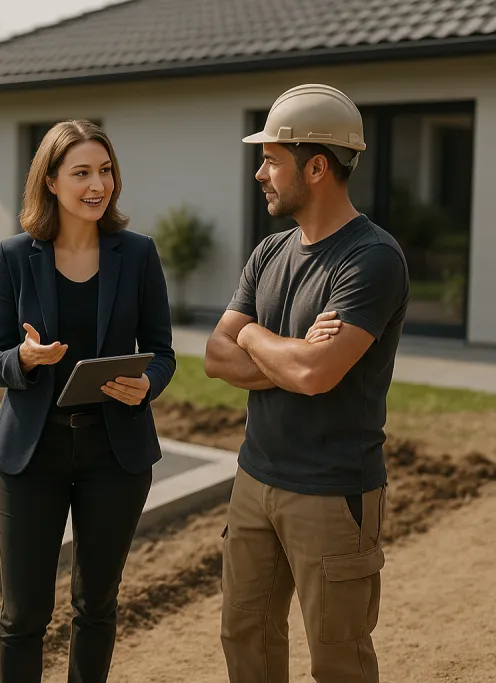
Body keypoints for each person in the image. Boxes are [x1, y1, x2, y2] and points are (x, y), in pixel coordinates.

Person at [205, 83, 410, 683]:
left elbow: (315, 375)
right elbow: (216, 357)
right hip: (255, 480)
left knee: (338, 660)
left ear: (317, 166)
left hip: (332, 494)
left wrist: (253, 339)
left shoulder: (372, 259)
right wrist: (277, 353)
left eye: (272, 159)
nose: (260, 172)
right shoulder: (269, 253)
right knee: (246, 641)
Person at [0, 119, 176, 682]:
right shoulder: (14, 256)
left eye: (106, 171)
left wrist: (148, 383)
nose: (98, 184)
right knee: (24, 615)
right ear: (51, 182)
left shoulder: (137, 255)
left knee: (96, 606)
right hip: (30, 457)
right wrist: (24, 360)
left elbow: (161, 352)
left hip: (116, 456)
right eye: (82, 172)